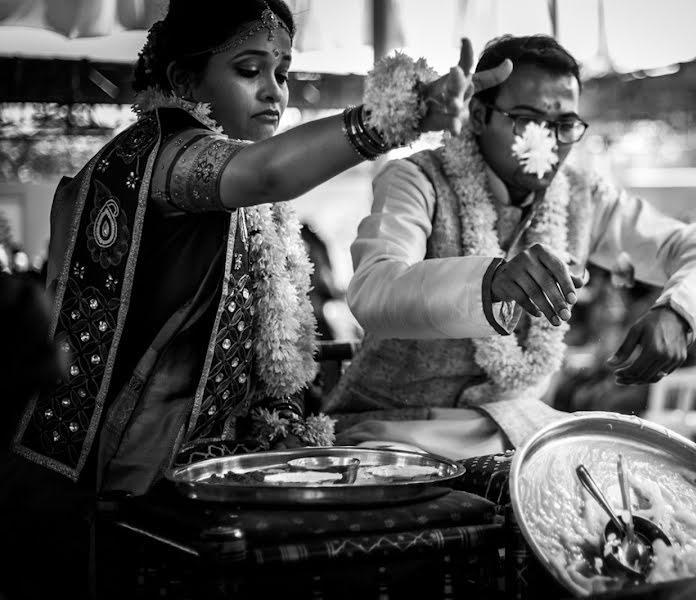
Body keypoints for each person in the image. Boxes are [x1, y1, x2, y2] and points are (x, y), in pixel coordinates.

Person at [2, 1, 510, 596]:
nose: (274, 92)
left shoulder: (237, 192)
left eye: (283, 72)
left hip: (209, 472)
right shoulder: (162, 156)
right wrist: (400, 115)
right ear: (184, 81)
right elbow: (267, 172)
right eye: (250, 70)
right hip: (126, 496)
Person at [325, 35, 696, 457]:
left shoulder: (581, 196)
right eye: (528, 120)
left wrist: (677, 312)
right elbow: (374, 290)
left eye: (565, 125)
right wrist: (491, 282)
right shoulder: (417, 179)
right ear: (478, 115)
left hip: (513, 430)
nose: (549, 143)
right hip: (393, 429)